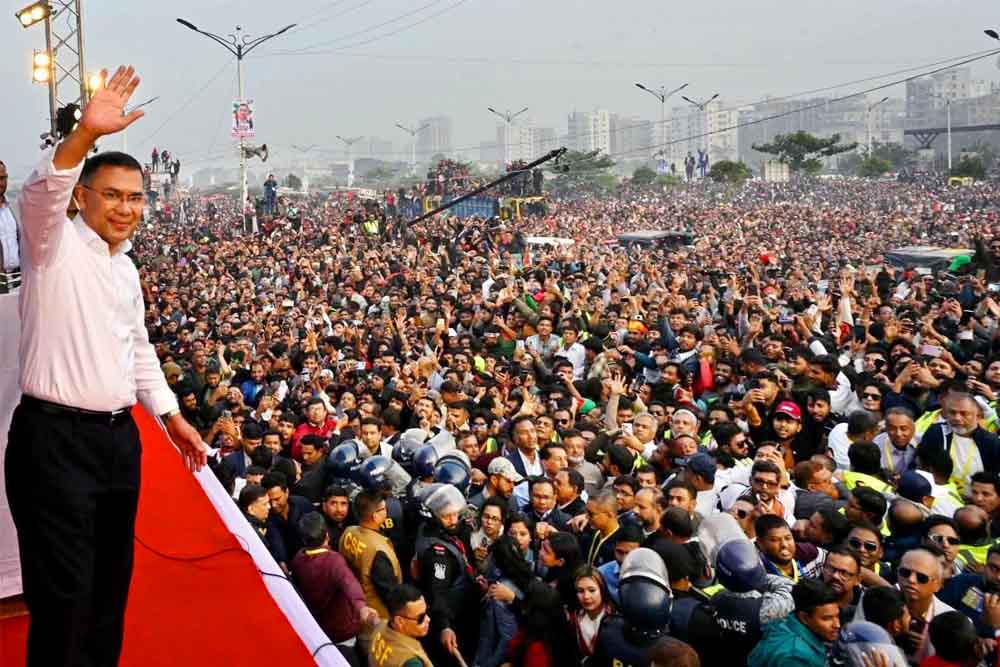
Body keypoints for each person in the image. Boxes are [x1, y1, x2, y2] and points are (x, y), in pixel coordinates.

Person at [5, 66, 207, 667]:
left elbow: (137, 347)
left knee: (107, 591)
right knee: (63, 596)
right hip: (53, 441)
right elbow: (40, 190)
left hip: (119, 442)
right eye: (113, 195)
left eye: (135, 197)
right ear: (83, 197)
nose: (126, 208)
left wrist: (170, 417)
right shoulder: (51, 244)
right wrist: (83, 136)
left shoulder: (127, 269)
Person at [290, 513, 377, 667]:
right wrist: (361, 607)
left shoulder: (298, 559)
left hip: (319, 628)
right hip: (342, 630)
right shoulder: (333, 561)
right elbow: (350, 584)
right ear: (327, 536)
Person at [339, 489, 403, 647]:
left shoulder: (349, 532)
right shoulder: (377, 550)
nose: (387, 511)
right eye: (383, 509)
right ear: (375, 516)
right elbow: (389, 593)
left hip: (354, 613)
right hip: (376, 624)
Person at [748, 578, 841, 667]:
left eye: (837, 616)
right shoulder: (796, 657)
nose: (837, 624)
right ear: (804, 618)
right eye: (827, 618)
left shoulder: (786, 622)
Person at [368, 584, 433, 667]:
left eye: (427, 611)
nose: (428, 619)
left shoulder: (381, 625)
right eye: (421, 617)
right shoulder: (411, 661)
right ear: (399, 621)